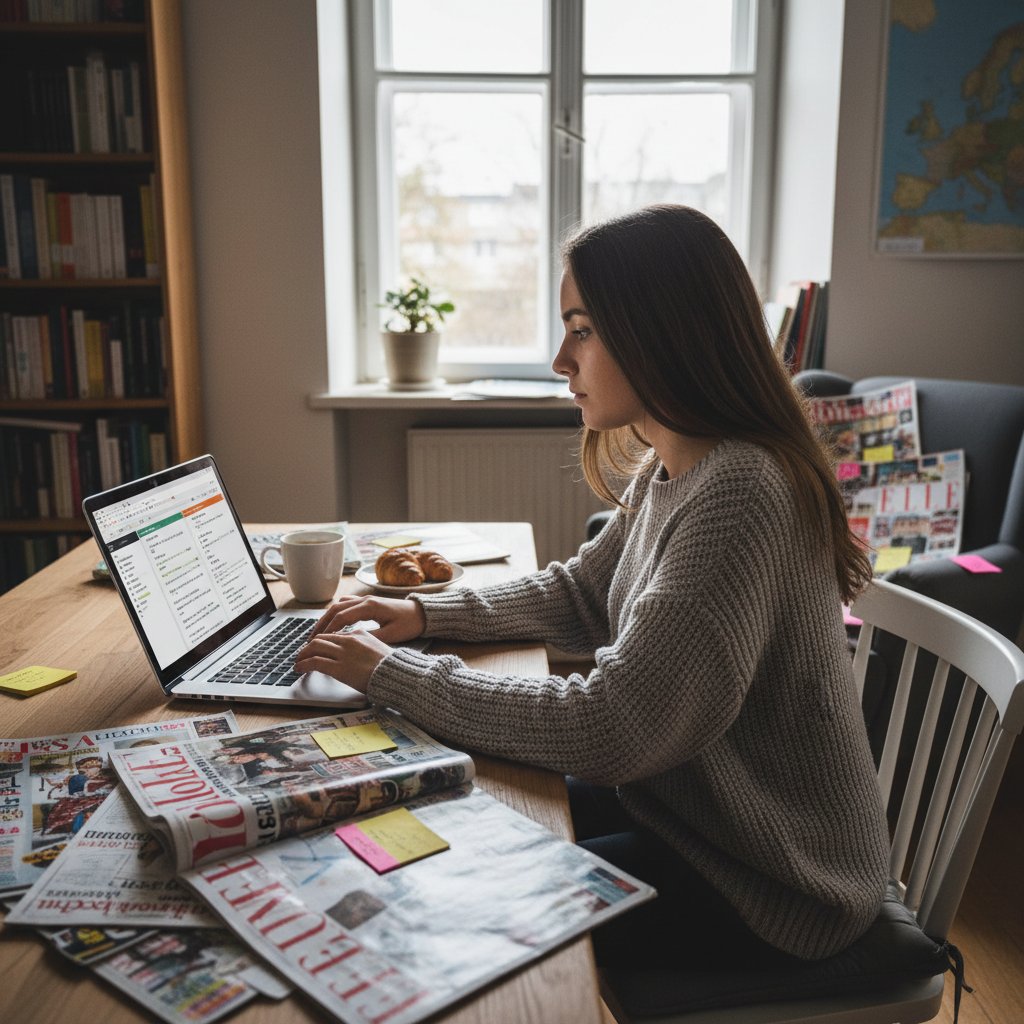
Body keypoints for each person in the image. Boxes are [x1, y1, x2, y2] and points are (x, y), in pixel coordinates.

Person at [294, 204, 889, 968]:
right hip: (686, 816)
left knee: (440, 914)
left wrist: (394, 674)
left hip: (771, 884)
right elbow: (582, 593)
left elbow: (613, 727)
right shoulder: (680, 461)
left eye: (581, 330)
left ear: (659, 334)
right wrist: (421, 612)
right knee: (435, 822)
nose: (558, 360)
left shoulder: (742, 493)